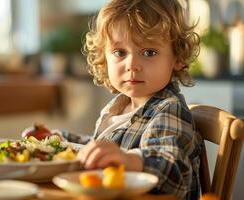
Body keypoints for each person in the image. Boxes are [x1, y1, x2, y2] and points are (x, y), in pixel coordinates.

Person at [61, 0, 203, 199]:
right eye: (120, 52)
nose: (133, 65)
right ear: (104, 58)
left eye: (149, 52)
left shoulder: (169, 109)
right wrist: (60, 141)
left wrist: (128, 160)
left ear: (177, 57)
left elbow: (174, 171)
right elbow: (100, 148)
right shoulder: (118, 108)